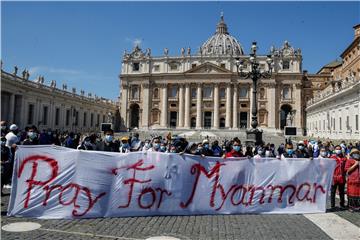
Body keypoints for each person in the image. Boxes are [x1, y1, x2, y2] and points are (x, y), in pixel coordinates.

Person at [330, 145, 347, 210]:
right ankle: (332, 205)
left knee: (341, 192)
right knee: (333, 192)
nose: (338, 150)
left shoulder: (344, 158)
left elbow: (346, 167)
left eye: (339, 149)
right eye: (337, 149)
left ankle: (342, 204)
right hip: (334, 177)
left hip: (341, 177)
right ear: (334, 150)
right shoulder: (332, 158)